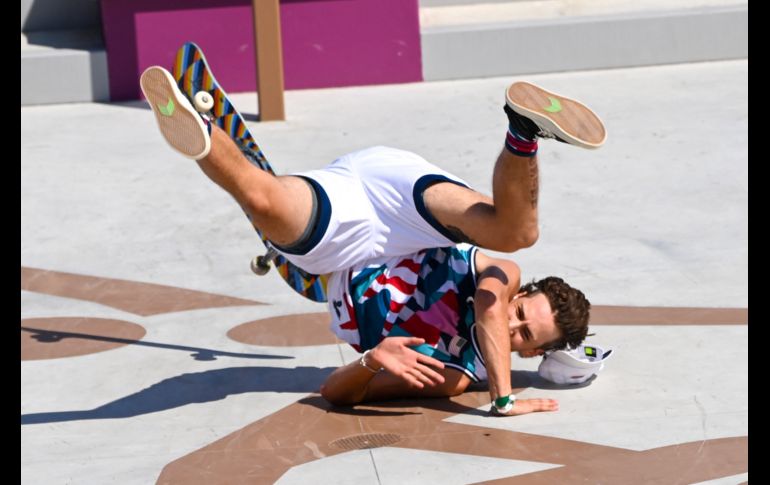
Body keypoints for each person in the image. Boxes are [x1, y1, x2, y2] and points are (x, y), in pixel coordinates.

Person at [140, 65, 604, 416]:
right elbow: (488, 306)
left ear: (534, 353)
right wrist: (502, 399)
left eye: (525, 335)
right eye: (519, 311)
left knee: (261, 201)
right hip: (407, 208)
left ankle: (196, 125)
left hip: (350, 245)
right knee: (517, 234)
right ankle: (523, 128)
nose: (510, 323)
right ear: (519, 295)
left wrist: (372, 360)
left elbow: (334, 393)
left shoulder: (453, 377)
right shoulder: (503, 277)